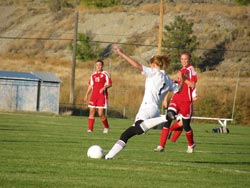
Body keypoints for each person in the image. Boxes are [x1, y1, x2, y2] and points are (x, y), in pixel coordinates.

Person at [104, 45, 185, 160]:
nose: (149, 66)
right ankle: (108, 157)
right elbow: (178, 90)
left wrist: (122, 54)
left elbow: (136, 65)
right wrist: (183, 80)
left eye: (151, 65)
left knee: (138, 128)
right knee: (126, 134)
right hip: (154, 111)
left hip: (148, 109)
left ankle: (165, 118)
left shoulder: (154, 73)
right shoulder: (167, 79)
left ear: (154, 65)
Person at [154, 52, 198, 153]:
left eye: (185, 59)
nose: (183, 61)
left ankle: (191, 144)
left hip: (186, 101)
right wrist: (166, 98)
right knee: (168, 118)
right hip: (176, 99)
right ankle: (161, 146)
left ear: (189, 59)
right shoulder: (181, 70)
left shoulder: (191, 71)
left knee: (186, 126)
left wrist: (183, 78)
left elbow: (192, 85)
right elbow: (174, 85)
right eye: (182, 59)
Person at [84, 59, 112, 133]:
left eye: (100, 65)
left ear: (102, 66)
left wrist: (103, 88)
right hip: (93, 96)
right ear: (95, 66)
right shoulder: (93, 75)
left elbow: (109, 84)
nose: (98, 66)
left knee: (100, 114)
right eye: (97, 65)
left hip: (102, 96)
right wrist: (86, 94)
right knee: (91, 112)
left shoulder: (105, 74)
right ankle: (90, 129)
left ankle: (106, 127)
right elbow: (90, 85)